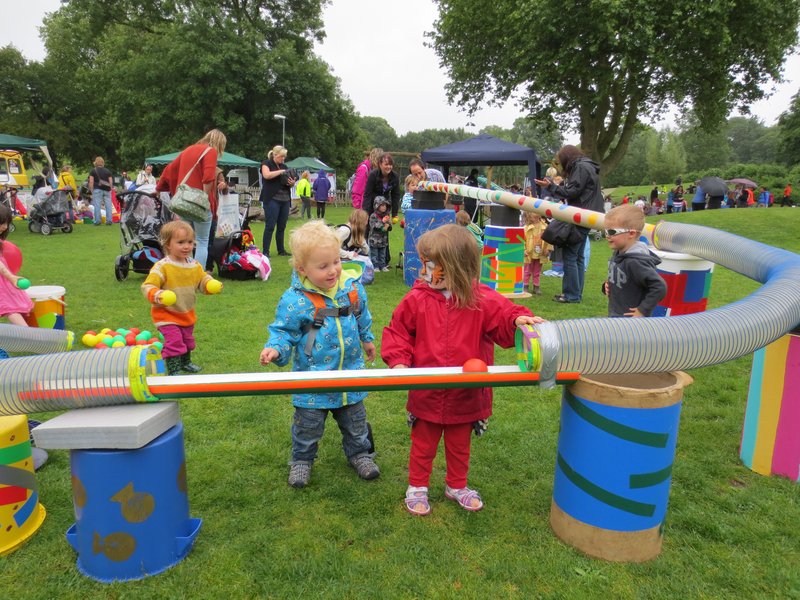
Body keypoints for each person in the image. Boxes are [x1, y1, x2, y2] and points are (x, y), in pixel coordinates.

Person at [381, 224, 542, 515]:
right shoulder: (416, 299)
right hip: (427, 391)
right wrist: (399, 361)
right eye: (424, 264)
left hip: (466, 394)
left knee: (459, 444)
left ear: (455, 268)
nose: (424, 272)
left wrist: (519, 320)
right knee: (423, 442)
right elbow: (398, 332)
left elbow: (506, 314)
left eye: (431, 266)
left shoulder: (480, 299)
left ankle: (456, 485)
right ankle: (417, 485)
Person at [259, 220, 379, 488]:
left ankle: (360, 454)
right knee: (308, 426)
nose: (333, 270)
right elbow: (283, 332)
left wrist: (367, 339)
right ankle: (301, 460)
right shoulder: (295, 300)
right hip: (312, 378)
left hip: (349, 374)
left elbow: (361, 315)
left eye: (336, 261)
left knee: (356, 422)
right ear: (302, 269)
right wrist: (275, 349)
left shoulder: (351, 287)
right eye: (323, 266)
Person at [141, 221, 222, 375]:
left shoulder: (194, 265)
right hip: (166, 314)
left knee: (187, 340)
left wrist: (211, 283)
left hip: (186, 312)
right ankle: (174, 369)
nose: (186, 246)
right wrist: (158, 295)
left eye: (190, 242)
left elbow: (202, 280)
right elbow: (148, 286)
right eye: (181, 242)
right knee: (174, 341)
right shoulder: (162, 266)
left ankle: (186, 362)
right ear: (167, 244)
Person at [533, 145, 602, 304]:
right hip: (587, 215)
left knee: (571, 256)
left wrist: (550, 187)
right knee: (577, 257)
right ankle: (575, 294)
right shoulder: (588, 166)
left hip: (579, 215)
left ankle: (571, 295)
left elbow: (572, 192)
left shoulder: (581, 167)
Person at [156, 129, 226, 269]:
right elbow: (208, 178)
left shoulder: (188, 150)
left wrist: (158, 188)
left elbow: (169, 170)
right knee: (201, 241)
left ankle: (184, 271)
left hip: (183, 204)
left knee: (185, 241)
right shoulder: (210, 151)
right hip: (199, 205)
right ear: (219, 143)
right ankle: (197, 275)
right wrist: (204, 199)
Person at [602, 205, 667, 318]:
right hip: (616, 314)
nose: (607, 236)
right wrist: (607, 285)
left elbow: (659, 287)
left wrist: (642, 311)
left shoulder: (636, 262)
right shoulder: (618, 254)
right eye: (606, 232)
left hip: (631, 321)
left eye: (612, 232)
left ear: (631, 233)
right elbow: (622, 279)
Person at [259, 145, 296, 257]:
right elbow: (267, 175)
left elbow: (289, 180)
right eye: (281, 156)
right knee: (270, 226)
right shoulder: (266, 163)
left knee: (282, 226)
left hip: (284, 200)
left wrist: (292, 183)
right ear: (275, 155)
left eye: (284, 157)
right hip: (272, 199)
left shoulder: (284, 166)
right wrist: (281, 172)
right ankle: (265, 251)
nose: (283, 159)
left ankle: (281, 250)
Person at [0, 205, 33, 326]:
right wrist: (10, 276)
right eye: (1, 223)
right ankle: (27, 335)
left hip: (4, 279)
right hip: (3, 279)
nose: (5, 226)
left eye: (7, 222)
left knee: (11, 303)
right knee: (10, 306)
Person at [363, 153, 401, 217]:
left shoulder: (395, 177)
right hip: (372, 207)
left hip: (385, 208)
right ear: (380, 165)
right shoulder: (373, 175)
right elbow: (367, 195)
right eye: (386, 164)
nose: (389, 167)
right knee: (371, 225)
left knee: (385, 226)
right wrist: (365, 213)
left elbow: (395, 196)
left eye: (390, 164)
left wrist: (394, 214)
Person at [522, 211, 551, 295]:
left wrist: (548, 249)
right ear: (529, 216)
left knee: (537, 272)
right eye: (533, 217)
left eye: (537, 217)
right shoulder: (526, 228)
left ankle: (536, 287)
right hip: (529, 253)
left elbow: (549, 239)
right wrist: (523, 250)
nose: (535, 219)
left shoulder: (545, 227)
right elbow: (521, 241)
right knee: (527, 271)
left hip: (540, 253)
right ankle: (525, 286)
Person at [368, 197, 392, 272]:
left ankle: (383, 266)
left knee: (382, 254)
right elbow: (374, 226)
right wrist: (382, 221)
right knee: (374, 254)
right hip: (374, 240)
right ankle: (375, 266)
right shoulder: (373, 216)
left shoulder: (386, 215)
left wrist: (389, 226)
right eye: (382, 205)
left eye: (385, 205)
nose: (384, 207)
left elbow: (389, 227)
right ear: (376, 206)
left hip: (383, 240)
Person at [89, 156, 114, 226]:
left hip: (97, 189)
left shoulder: (93, 171)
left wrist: (91, 190)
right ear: (103, 162)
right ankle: (109, 220)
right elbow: (111, 182)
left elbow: (91, 182)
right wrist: (110, 188)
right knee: (108, 205)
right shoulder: (107, 171)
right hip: (107, 190)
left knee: (97, 205)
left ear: (96, 162)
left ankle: (97, 221)